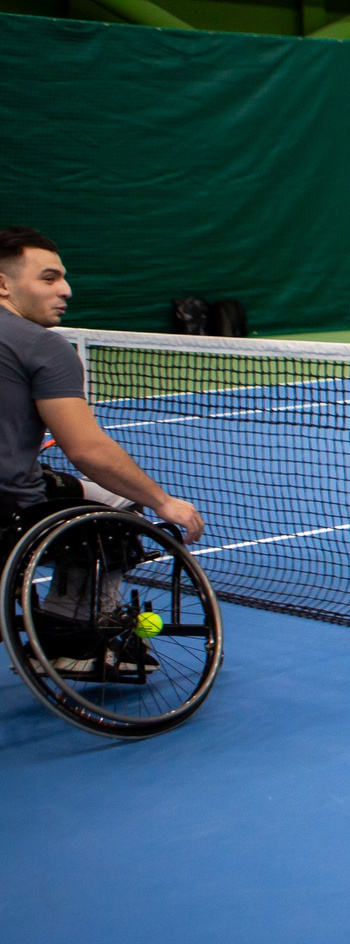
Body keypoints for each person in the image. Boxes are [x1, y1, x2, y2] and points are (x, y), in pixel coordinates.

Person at [0, 229, 205, 660]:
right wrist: (163, 501)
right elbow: (86, 450)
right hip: (10, 508)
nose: (66, 290)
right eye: (49, 278)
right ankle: (73, 647)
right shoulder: (43, 347)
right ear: (3, 284)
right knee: (122, 506)